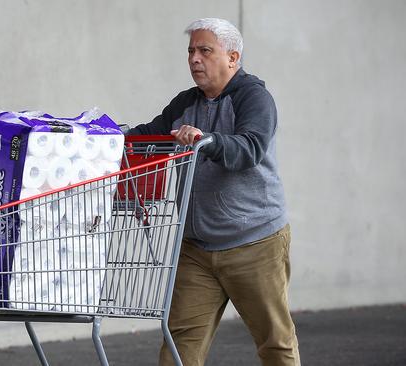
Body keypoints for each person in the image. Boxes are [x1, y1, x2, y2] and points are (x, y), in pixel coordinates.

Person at [127, 18, 300, 365]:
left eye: (205, 51)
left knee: (274, 343)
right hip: (197, 249)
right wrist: (104, 136)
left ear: (232, 58)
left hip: (254, 243)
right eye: (191, 51)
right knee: (179, 345)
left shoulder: (254, 98)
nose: (194, 59)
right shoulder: (184, 104)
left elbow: (249, 148)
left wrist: (206, 140)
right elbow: (148, 136)